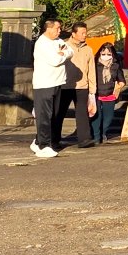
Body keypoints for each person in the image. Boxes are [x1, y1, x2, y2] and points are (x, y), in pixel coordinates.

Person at [29, 19, 73, 158]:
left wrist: (62, 54)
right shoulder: (42, 43)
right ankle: (44, 145)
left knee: (54, 114)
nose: (59, 31)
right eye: (57, 28)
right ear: (48, 29)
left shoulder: (58, 41)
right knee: (44, 116)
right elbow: (54, 61)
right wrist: (61, 55)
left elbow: (70, 51)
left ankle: (38, 141)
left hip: (58, 82)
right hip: (44, 84)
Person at [56, 23, 97, 149]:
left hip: (82, 86)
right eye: (82, 33)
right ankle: (54, 139)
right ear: (73, 34)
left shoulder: (88, 49)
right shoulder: (63, 46)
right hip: (65, 85)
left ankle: (84, 139)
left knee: (82, 113)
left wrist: (92, 89)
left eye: (85, 32)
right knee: (59, 112)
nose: (85, 35)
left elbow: (91, 69)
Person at [91, 42, 126, 143]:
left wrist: (120, 84)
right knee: (96, 116)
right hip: (96, 94)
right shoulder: (94, 64)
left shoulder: (115, 65)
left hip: (110, 95)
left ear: (113, 55)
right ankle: (96, 136)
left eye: (109, 54)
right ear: (100, 53)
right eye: (103, 54)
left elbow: (121, 79)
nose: (106, 56)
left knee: (108, 118)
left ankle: (103, 133)